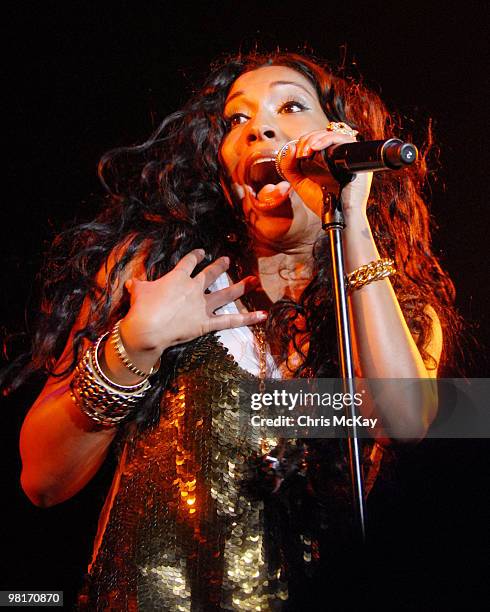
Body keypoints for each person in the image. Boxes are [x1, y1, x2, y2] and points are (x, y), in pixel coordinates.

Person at [16, 50, 460, 610]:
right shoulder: (158, 274)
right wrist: (132, 345)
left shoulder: (402, 313)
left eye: (290, 106)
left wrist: (352, 216)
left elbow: (400, 421)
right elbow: (42, 480)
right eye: (236, 120)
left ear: (337, 138)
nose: (260, 129)